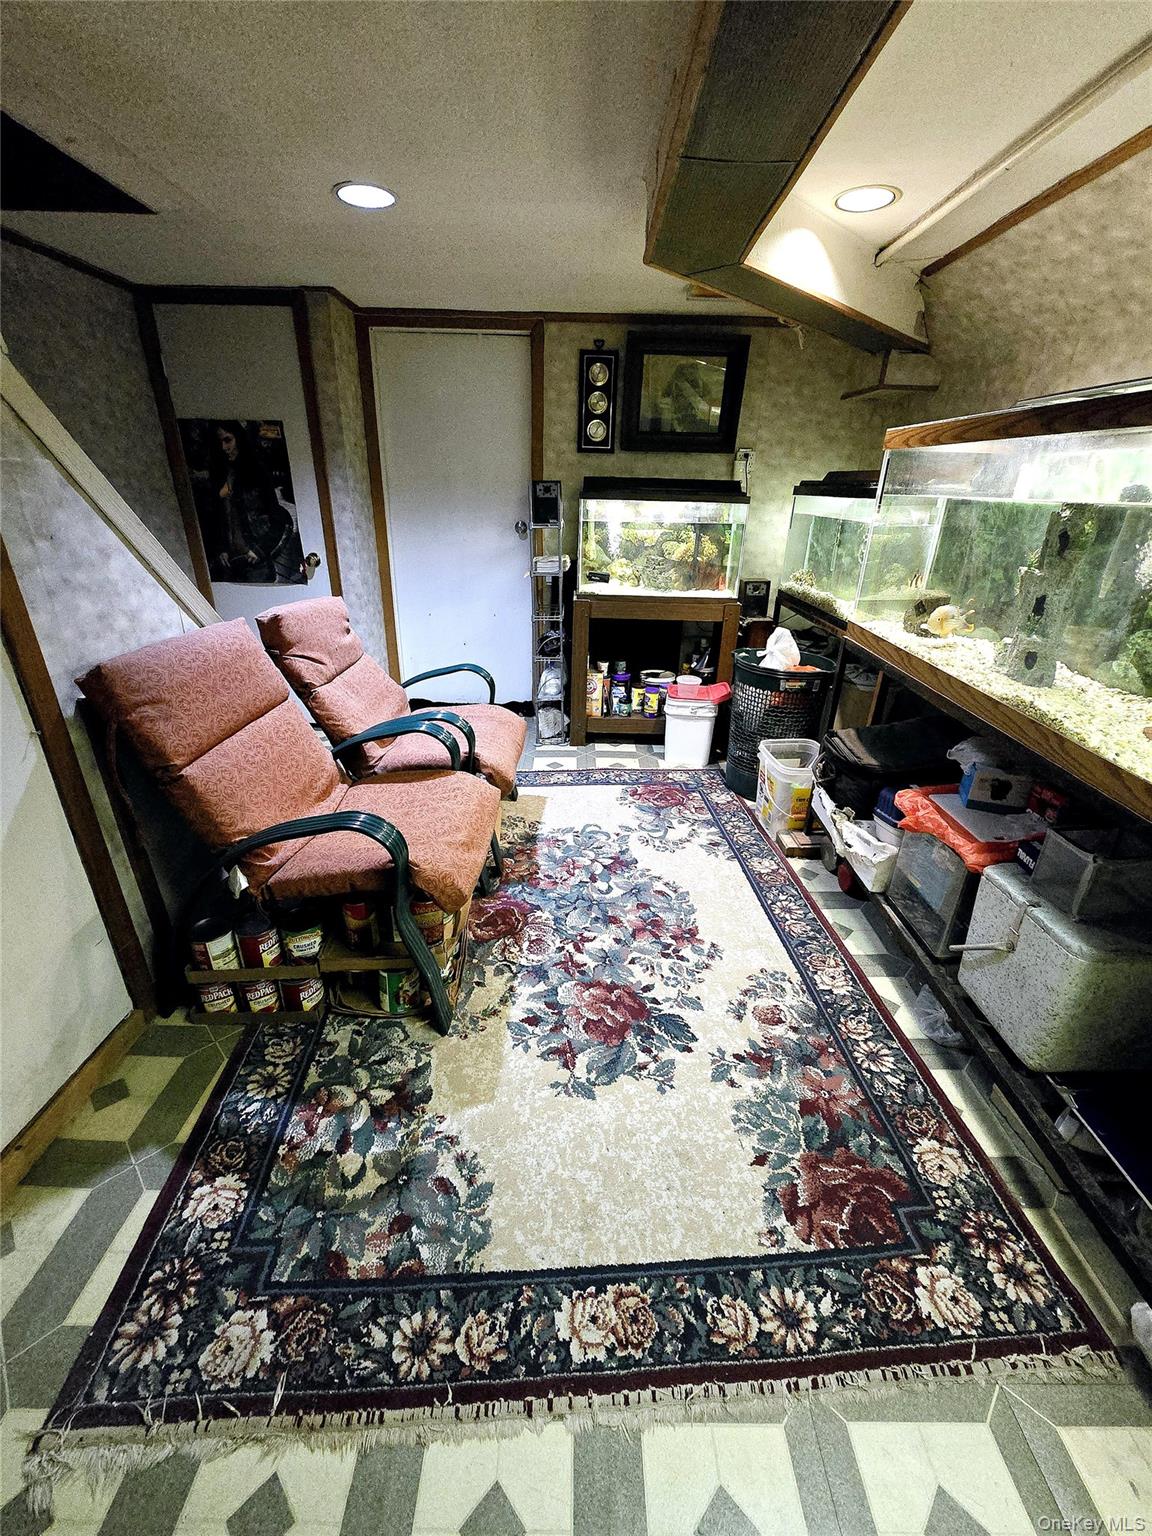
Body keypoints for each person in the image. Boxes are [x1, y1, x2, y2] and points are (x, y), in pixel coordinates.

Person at [209, 421, 305, 583]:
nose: (224, 448)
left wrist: (260, 550)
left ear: (238, 439)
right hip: (232, 558)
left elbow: (278, 518)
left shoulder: (255, 472)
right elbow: (222, 517)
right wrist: (222, 548)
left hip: (255, 554)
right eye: (219, 442)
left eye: (228, 440)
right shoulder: (221, 474)